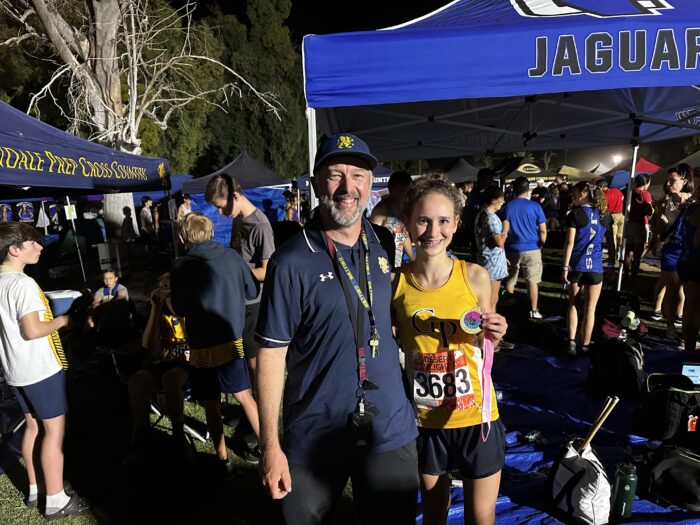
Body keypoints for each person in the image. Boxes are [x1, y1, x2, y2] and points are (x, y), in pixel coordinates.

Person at [256, 133, 419, 525]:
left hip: (389, 428)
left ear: (370, 182)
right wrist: (270, 446)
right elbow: (271, 355)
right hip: (315, 433)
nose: (348, 188)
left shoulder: (382, 242)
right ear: (315, 184)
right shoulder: (291, 261)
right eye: (335, 175)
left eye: (358, 175)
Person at [392, 174, 508, 525]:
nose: (433, 231)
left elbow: (483, 343)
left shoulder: (475, 276)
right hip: (425, 422)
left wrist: (495, 334)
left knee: (480, 518)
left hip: (478, 417)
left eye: (443, 221)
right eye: (423, 220)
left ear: (456, 224)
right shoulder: (395, 283)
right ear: (409, 224)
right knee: (433, 517)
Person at [0, 222, 90, 519]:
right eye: (33, 243)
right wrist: (63, 322)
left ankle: (37, 486)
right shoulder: (22, 284)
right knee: (54, 432)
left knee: (33, 426)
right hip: (39, 369)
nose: (40, 247)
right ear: (15, 249)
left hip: (15, 369)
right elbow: (33, 329)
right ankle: (56, 499)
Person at [170, 212, 261, 473]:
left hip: (201, 344)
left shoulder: (181, 265)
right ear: (211, 233)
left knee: (210, 402)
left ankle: (223, 461)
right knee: (244, 395)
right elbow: (252, 290)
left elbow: (180, 308)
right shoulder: (231, 257)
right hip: (232, 339)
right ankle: (269, 449)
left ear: (182, 237)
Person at [205, 173, 275, 384]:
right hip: (237, 299)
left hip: (253, 304)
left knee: (254, 363)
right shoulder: (238, 219)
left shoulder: (260, 225)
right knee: (240, 357)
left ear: (235, 196)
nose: (219, 212)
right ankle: (248, 411)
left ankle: (261, 411)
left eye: (221, 206)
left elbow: (267, 270)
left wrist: (234, 274)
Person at [127, 272, 191, 458]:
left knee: (170, 378)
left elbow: (192, 338)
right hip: (161, 360)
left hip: (185, 361)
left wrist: (174, 306)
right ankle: (143, 433)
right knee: (136, 381)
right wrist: (155, 309)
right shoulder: (158, 309)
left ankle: (178, 432)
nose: (165, 291)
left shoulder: (187, 307)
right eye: (162, 287)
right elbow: (147, 345)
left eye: (169, 286)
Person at [561, 182, 613, 356]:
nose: (573, 196)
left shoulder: (575, 214)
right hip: (596, 267)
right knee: (591, 309)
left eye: (575, 193)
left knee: (574, 304)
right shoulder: (605, 215)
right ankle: (585, 344)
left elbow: (569, 243)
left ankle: (571, 343)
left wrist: (565, 266)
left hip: (577, 265)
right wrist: (612, 264)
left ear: (584, 193)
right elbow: (612, 244)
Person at [650, 166, 693, 321]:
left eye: (673, 180)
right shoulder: (664, 202)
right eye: (668, 180)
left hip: (687, 250)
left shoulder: (692, 201)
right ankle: (669, 325)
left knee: (684, 288)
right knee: (671, 287)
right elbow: (655, 228)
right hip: (670, 249)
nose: (669, 183)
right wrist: (662, 223)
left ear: (684, 181)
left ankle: (680, 316)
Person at [501, 176, 547, 319]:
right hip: (532, 248)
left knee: (511, 278)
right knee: (532, 281)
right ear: (528, 190)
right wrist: (542, 243)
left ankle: (508, 305)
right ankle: (533, 310)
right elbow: (543, 230)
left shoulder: (507, 207)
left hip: (512, 248)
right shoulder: (535, 206)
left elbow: (504, 230)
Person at [370, 170, 415, 268]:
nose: (405, 194)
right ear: (391, 189)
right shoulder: (381, 210)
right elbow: (372, 240)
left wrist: (413, 260)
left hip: (397, 264)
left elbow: (402, 235)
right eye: (401, 190)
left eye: (407, 191)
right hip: (383, 265)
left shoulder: (402, 210)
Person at [677, 167, 700, 352]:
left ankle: (689, 349)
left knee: (690, 309)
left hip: (686, 259)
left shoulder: (691, 206)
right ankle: (691, 351)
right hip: (696, 262)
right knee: (693, 310)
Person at [475, 186, 508, 312]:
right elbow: (499, 242)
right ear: (494, 200)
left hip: (486, 259)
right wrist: (505, 229)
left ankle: (485, 326)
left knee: (486, 298)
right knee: (492, 299)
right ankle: (488, 328)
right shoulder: (491, 217)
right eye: (502, 199)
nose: (503, 202)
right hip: (493, 264)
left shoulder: (481, 215)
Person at [624, 174, 653, 282]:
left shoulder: (630, 192)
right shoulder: (645, 194)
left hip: (630, 224)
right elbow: (649, 211)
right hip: (640, 225)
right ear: (645, 183)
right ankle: (633, 278)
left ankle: (625, 274)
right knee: (637, 255)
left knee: (628, 252)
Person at [462, 169, 496, 258]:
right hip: (476, 232)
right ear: (482, 179)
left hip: (483, 231)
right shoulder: (474, 194)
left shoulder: (484, 192)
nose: (492, 181)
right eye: (490, 178)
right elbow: (471, 212)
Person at [599, 179, 623, 264]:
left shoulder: (604, 195)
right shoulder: (617, 190)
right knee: (620, 236)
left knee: (612, 238)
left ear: (602, 187)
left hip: (612, 216)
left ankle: (614, 255)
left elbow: (604, 207)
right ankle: (619, 252)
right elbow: (622, 197)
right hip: (621, 215)